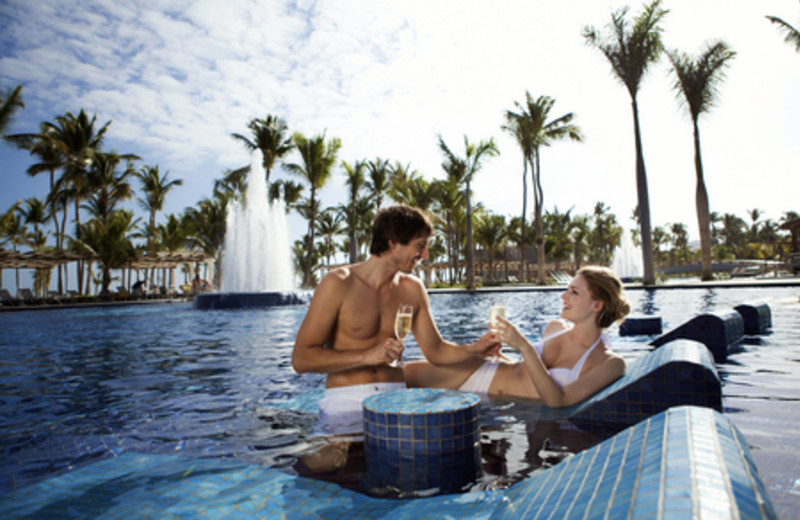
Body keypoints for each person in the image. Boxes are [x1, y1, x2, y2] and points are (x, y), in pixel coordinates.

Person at [292, 205, 499, 473]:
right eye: (420, 246)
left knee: (450, 461)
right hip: (346, 404)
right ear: (393, 243)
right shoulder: (338, 283)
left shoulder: (413, 289)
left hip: (396, 404)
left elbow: (436, 351)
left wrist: (476, 349)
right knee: (326, 467)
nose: (425, 255)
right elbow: (301, 359)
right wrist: (366, 356)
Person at [404, 266, 630, 408]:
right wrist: (503, 357)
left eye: (574, 292)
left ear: (597, 305)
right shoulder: (555, 328)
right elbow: (524, 371)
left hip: (495, 406)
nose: (563, 296)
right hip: (482, 373)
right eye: (567, 289)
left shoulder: (610, 363)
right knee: (400, 377)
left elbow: (557, 401)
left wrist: (523, 346)